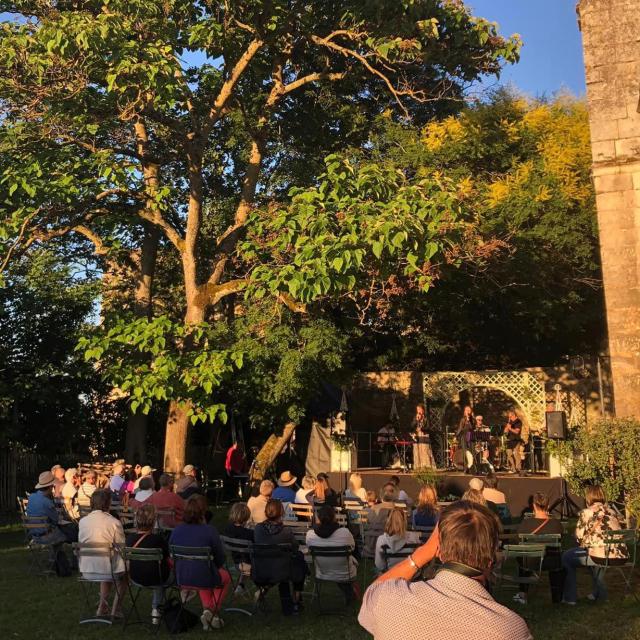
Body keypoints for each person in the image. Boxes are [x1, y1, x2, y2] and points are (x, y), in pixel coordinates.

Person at [358, 501, 533, 640]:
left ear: (439, 550)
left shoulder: (390, 598)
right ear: (491, 559)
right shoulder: (510, 629)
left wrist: (422, 554)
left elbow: (372, 594)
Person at [169, 495, 230, 630]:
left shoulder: (177, 530)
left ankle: (209, 614)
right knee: (224, 577)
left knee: (206, 571)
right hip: (203, 575)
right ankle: (211, 610)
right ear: (203, 512)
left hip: (182, 576)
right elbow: (220, 558)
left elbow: (171, 553)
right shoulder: (210, 531)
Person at [562, 484, 628, 605]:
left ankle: (570, 598)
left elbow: (579, 537)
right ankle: (597, 593)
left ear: (588, 498)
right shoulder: (612, 512)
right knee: (595, 552)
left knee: (567, 557)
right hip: (620, 556)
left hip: (601, 556)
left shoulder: (586, 513)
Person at [78, 489, 127, 618]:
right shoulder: (114, 523)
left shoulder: (82, 522)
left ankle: (102, 607)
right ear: (108, 503)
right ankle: (115, 609)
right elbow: (122, 548)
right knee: (125, 570)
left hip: (86, 570)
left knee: (108, 564)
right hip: (107, 569)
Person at [253, 499, 306, 615]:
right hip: (282, 570)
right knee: (299, 559)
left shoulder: (258, 529)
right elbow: (295, 547)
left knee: (295, 561)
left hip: (261, 568)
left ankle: (266, 589)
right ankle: (296, 597)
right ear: (281, 512)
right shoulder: (285, 531)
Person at [513, 492, 564, 605]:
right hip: (552, 562)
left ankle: (523, 593)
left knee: (522, 554)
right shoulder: (556, 524)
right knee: (557, 558)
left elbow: (517, 541)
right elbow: (562, 541)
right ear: (548, 505)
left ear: (534, 505)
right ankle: (557, 598)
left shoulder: (526, 524)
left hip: (529, 562)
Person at [125, 503, 171, 625]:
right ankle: (157, 608)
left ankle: (157, 608)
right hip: (158, 577)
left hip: (136, 577)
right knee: (160, 575)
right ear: (153, 521)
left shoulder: (129, 539)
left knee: (157, 572)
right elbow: (167, 557)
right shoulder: (158, 540)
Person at [306, 505, 359, 603]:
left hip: (322, 573)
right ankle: (350, 592)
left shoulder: (310, 535)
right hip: (345, 573)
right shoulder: (344, 533)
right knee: (350, 562)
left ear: (318, 518)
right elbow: (352, 548)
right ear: (334, 517)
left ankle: (349, 592)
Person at [26, 471, 78, 557]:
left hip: (34, 534)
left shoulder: (31, 497)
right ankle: (74, 562)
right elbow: (57, 520)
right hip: (46, 535)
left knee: (68, 532)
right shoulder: (47, 502)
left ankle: (58, 562)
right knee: (73, 532)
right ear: (50, 487)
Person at [222, 502, 254, 595]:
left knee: (244, 558)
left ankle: (241, 585)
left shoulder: (227, 529)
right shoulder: (249, 534)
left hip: (237, 562)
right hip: (250, 565)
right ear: (246, 516)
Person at [375, 508, 420, 573]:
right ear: (404, 521)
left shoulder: (381, 540)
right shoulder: (414, 537)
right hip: (412, 577)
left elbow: (379, 565)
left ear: (388, 520)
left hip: (391, 578)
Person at [411, 403, 436, 469]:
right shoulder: (416, 417)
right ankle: (418, 466)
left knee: (425, 451)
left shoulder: (426, 418)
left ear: (423, 410)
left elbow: (428, 427)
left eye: (420, 409)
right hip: (417, 436)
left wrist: (421, 429)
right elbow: (412, 426)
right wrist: (417, 420)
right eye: (417, 409)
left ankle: (426, 466)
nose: (418, 411)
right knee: (418, 451)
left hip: (424, 435)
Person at [504, 410, 524, 474]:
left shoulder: (518, 422)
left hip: (516, 440)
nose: (509, 418)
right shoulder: (510, 422)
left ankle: (518, 468)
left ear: (514, 415)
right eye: (509, 417)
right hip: (509, 440)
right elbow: (505, 431)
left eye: (510, 417)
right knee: (509, 454)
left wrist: (510, 428)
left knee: (516, 454)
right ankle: (513, 468)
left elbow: (517, 432)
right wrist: (507, 427)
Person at [456, 406, 475, 472]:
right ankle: (465, 467)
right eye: (467, 410)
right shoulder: (463, 419)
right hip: (464, 437)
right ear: (464, 412)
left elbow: (472, 427)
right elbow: (461, 428)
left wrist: (469, 420)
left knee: (471, 452)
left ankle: (471, 467)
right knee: (465, 452)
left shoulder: (472, 419)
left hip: (470, 437)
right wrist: (456, 436)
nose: (468, 411)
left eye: (469, 410)